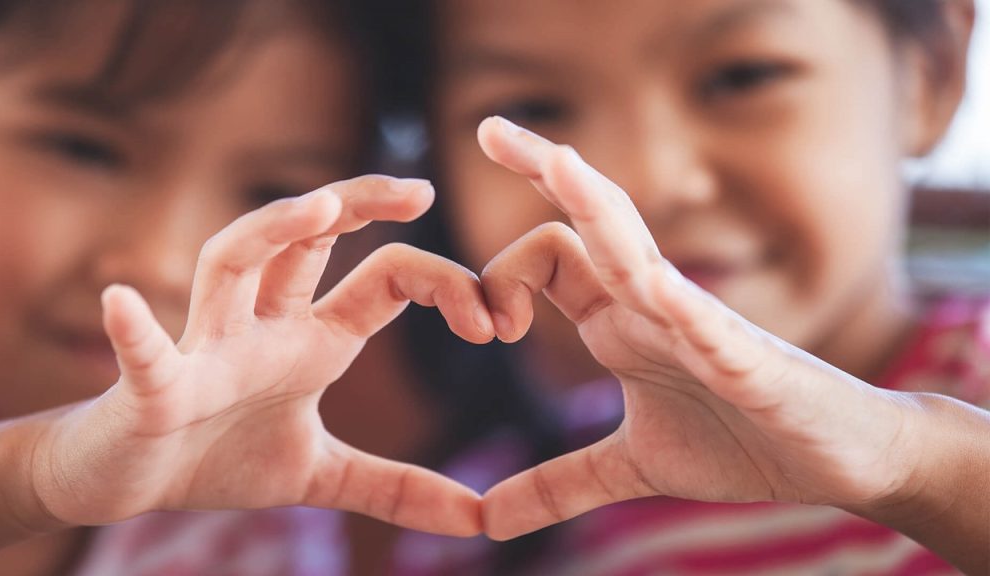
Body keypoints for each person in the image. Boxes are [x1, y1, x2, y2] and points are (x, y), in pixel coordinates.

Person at [393, 0, 990, 574]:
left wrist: (920, 470)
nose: (647, 180)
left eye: (741, 76)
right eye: (533, 107)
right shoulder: (482, 522)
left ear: (927, 76)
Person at [0, 1, 488, 574]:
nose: (162, 263)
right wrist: (35, 478)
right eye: (84, 149)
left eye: (274, 194)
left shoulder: (241, 515)